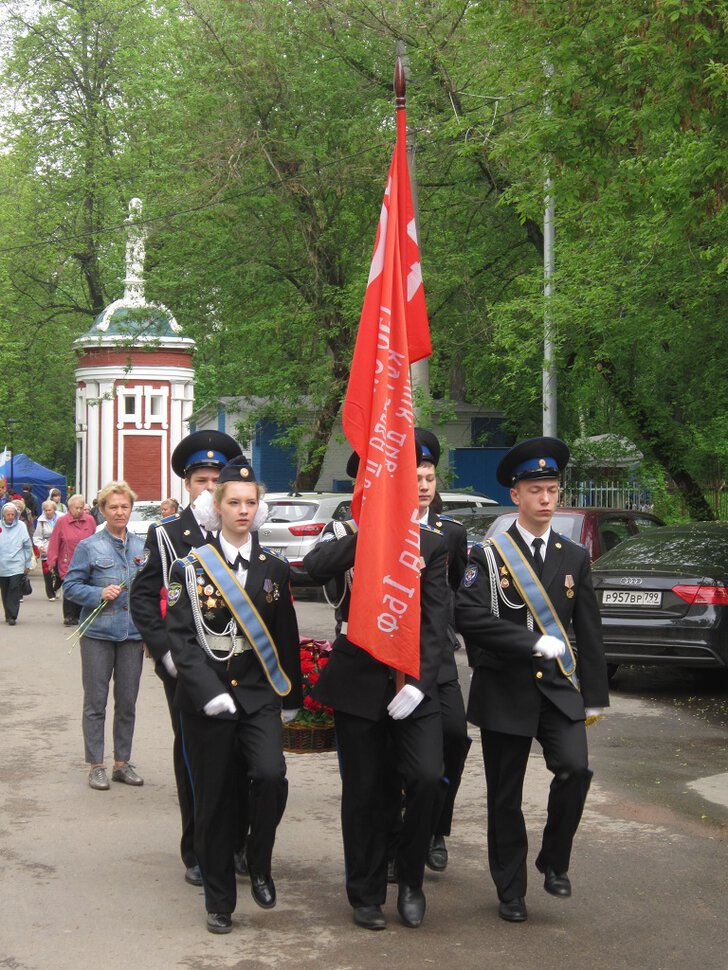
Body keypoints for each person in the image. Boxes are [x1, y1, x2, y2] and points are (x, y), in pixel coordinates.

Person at [455, 437, 609, 923]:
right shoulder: (489, 556)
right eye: (536, 490)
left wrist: (595, 696)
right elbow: (469, 616)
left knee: (575, 770)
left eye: (552, 489)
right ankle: (511, 888)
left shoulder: (573, 556)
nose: (546, 499)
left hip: (559, 689)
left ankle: (553, 861)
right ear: (516, 495)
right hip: (505, 687)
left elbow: (589, 628)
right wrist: (529, 643)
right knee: (505, 795)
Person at [303, 452, 450, 932]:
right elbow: (314, 567)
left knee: (427, 778)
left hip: (412, 681)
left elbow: (436, 624)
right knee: (366, 792)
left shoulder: (430, 542)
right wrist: (369, 533)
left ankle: (410, 880)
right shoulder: (347, 533)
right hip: (360, 678)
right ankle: (365, 893)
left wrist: (422, 683)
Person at [164, 455, 302, 935]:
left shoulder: (274, 569)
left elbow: (285, 636)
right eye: (234, 502)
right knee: (215, 802)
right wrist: (206, 691)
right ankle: (219, 900)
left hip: (259, 696)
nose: (243, 510)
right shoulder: (191, 567)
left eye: (251, 503)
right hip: (208, 702)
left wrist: (291, 698)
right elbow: (181, 638)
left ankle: (258, 860)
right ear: (216, 508)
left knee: (271, 776)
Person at [130, 430, 249, 889]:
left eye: (216, 478)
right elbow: (144, 600)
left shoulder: (243, 528)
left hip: (241, 665)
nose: (209, 487)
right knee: (195, 759)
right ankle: (199, 848)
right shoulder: (168, 534)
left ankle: (237, 841)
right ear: (188, 483)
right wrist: (166, 656)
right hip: (188, 668)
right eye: (202, 479)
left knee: (241, 755)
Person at [63, 481, 147, 791]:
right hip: (97, 634)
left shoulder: (142, 547)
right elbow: (70, 586)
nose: (119, 512)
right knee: (95, 702)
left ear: (130, 509)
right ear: (102, 510)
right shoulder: (90, 546)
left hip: (132, 635)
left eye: (124, 506)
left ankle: (122, 764)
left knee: (127, 702)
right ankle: (96, 764)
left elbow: (150, 593)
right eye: (113, 507)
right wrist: (99, 592)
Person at [414, 429, 471, 873]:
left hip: (438, 653)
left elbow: (452, 592)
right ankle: (403, 824)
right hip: (393, 652)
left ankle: (437, 826)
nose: (422, 485)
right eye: (415, 476)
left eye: (429, 476)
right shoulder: (379, 526)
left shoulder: (452, 533)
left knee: (454, 734)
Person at [46, 494, 96, 625]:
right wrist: (52, 560)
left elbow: (96, 539)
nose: (79, 510)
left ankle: (79, 614)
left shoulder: (90, 520)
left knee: (83, 587)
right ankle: (68, 615)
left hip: (87, 561)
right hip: (67, 561)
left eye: (81, 508)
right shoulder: (62, 522)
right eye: (76, 508)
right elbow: (54, 542)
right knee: (70, 587)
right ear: (69, 508)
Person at [0, 501, 33, 625]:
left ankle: (12, 615)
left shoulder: (21, 526)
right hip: (2, 564)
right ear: (3, 515)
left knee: (14, 588)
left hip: (17, 563)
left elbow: (27, 545)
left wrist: (27, 563)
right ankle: (8, 614)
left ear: (16, 515)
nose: (10, 517)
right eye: (7, 515)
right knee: (5, 589)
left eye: (12, 514)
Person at [33, 500, 62, 600]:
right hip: (47, 548)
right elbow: (37, 537)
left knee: (60, 572)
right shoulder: (41, 521)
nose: (48, 512)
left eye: (49, 510)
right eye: (46, 510)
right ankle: (50, 594)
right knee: (47, 573)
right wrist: (40, 545)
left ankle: (56, 587)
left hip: (60, 548)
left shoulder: (61, 518)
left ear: (54, 510)